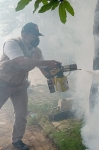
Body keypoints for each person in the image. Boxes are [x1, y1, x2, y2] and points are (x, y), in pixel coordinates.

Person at [0, 22, 60, 150]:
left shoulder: (37, 52)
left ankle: (17, 140)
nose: (36, 39)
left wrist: (55, 75)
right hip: (2, 83)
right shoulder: (12, 44)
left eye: (37, 36)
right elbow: (20, 60)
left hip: (20, 85)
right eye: (33, 35)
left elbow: (44, 69)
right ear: (24, 34)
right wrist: (47, 63)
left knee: (21, 113)